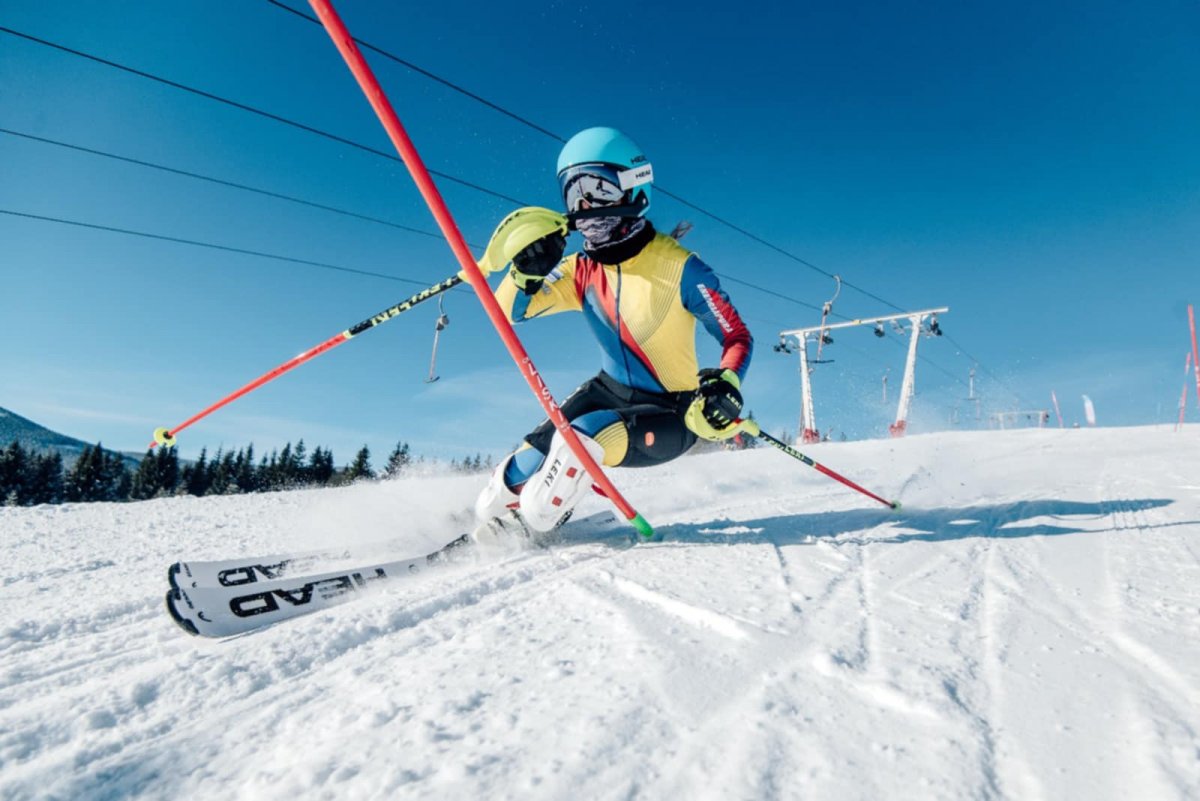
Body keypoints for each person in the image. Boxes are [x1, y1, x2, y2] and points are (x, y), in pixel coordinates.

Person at [471, 127, 754, 544]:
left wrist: (725, 384)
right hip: (605, 392)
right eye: (574, 193)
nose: (585, 206)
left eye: (598, 189)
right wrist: (525, 273)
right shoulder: (582, 269)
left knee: (569, 457)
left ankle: (537, 518)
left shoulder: (682, 268)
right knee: (509, 479)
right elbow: (508, 312)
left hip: (670, 413)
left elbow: (736, 336)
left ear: (634, 189)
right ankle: (494, 522)